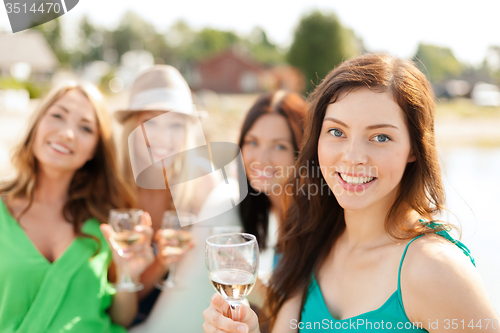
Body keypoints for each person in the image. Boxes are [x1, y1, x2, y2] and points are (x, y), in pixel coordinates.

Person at [202, 53, 500, 333]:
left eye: (380, 137)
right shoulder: (310, 242)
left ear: (414, 149)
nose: (352, 156)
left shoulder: (434, 268)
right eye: (336, 132)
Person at [0, 82, 154, 332]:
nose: (67, 133)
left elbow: (120, 320)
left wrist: (128, 274)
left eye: (85, 127)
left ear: (95, 149)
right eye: (58, 116)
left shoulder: (105, 223)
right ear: (37, 124)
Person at [116, 65, 242, 331]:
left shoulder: (201, 179)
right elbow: (117, 294)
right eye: (151, 122)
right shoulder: (113, 185)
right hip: (121, 311)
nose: (164, 137)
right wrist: (161, 262)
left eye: (175, 124)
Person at [237, 91, 307, 308]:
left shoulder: (311, 222)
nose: (261, 159)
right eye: (253, 142)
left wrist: (253, 289)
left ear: (301, 153)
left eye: (279, 146)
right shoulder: (266, 207)